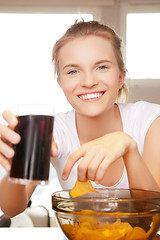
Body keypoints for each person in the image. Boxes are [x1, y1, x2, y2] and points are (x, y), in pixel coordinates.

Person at [0, 20, 160, 218]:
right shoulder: (53, 130)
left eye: (101, 67)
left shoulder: (151, 121)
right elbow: (12, 209)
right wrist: (18, 161)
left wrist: (130, 149)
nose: (89, 82)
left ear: (120, 77)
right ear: (61, 83)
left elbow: (153, 213)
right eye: (73, 71)